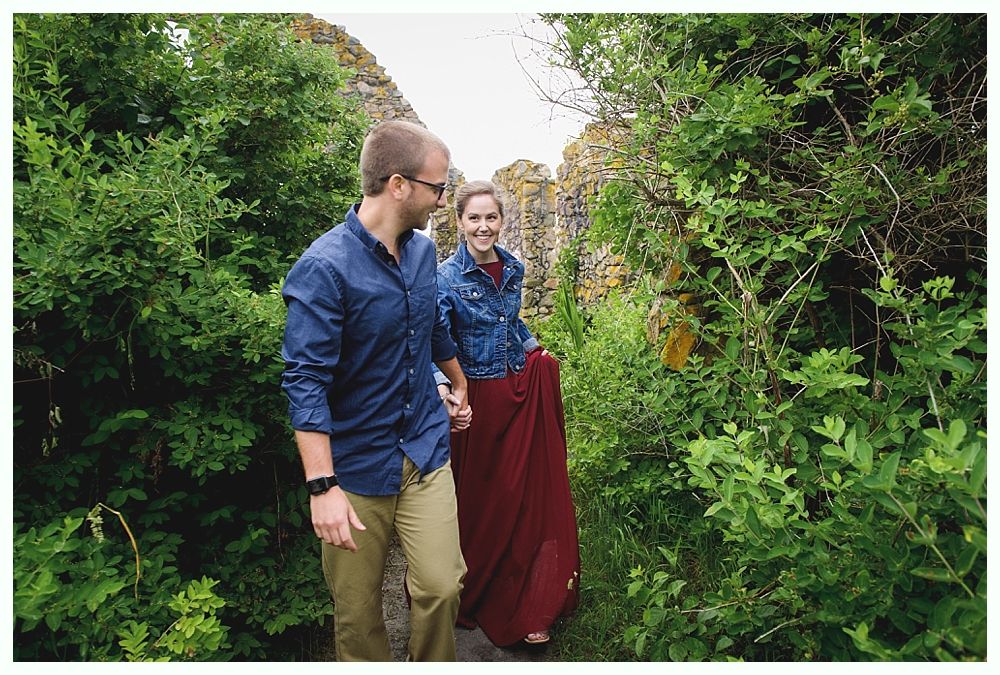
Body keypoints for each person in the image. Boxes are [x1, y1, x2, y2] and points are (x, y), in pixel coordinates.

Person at [280, 120, 472, 662]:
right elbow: (305, 380)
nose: (442, 198)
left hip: (424, 448)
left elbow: (432, 325)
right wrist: (322, 487)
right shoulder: (324, 268)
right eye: (437, 187)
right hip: (357, 464)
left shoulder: (422, 253)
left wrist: (456, 381)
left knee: (441, 586)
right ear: (398, 184)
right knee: (358, 612)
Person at [434, 180, 580, 647]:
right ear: (459, 222)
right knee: (479, 502)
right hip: (472, 400)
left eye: (491, 217)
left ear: (502, 220)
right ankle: (466, 592)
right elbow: (433, 339)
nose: (483, 226)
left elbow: (510, 321)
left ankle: (527, 599)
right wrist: (446, 389)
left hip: (514, 390)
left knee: (518, 498)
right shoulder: (444, 277)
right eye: (473, 218)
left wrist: (537, 352)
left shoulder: (512, 267)